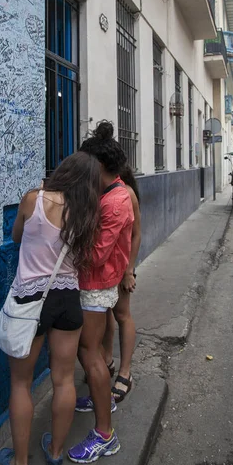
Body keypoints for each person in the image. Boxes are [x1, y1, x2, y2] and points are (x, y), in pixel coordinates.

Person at [0, 152, 102, 465]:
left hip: (31, 301)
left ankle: (20, 463)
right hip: (68, 301)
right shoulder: (85, 213)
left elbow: (17, 236)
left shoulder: (34, 198)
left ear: (63, 172)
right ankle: (55, 453)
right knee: (64, 380)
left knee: (20, 382)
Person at [67, 121, 134, 465]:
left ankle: (105, 436)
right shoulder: (111, 194)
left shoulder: (116, 202)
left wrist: (67, 238)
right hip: (98, 283)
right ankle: (100, 396)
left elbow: (95, 256)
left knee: (89, 354)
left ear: (100, 166)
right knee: (89, 352)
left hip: (96, 285)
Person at [102, 163, 141, 403]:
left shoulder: (127, 193)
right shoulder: (101, 190)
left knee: (122, 315)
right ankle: (107, 359)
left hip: (121, 267)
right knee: (105, 313)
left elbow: (137, 234)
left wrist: (129, 270)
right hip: (103, 269)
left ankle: (125, 373)